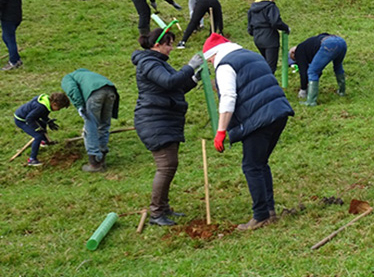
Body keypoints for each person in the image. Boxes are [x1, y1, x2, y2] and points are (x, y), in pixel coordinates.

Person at [204, 33, 294, 231]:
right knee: (260, 163)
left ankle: (261, 215)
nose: (211, 64)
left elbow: (228, 97)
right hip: (279, 112)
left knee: (251, 166)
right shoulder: (251, 55)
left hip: (259, 119)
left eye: (210, 60)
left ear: (214, 55)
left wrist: (221, 131)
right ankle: (269, 212)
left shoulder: (226, 65)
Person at [132, 27, 202, 226]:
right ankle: (156, 213)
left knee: (170, 165)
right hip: (154, 121)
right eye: (168, 44)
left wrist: (194, 79)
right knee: (166, 166)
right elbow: (170, 82)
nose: (171, 48)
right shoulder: (149, 63)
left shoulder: (158, 63)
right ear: (157, 45)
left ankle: (163, 208)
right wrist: (189, 66)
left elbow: (176, 85)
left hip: (165, 120)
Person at [61, 69, 119, 172]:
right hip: (111, 91)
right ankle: (102, 160)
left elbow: (72, 89)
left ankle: (94, 163)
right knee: (104, 125)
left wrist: (79, 106)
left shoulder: (68, 77)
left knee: (91, 126)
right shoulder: (87, 74)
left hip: (95, 94)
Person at [13, 92, 70, 166]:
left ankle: (44, 142)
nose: (59, 110)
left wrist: (49, 122)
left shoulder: (47, 103)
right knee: (38, 136)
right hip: (21, 120)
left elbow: (42, 115)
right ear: (54, 104)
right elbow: (29, 119)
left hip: (31, 117)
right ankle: (32, 160)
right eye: (59, 108)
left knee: (43, 124)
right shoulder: (41, 107)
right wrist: (37, 128)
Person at [290, 33, 347, 106]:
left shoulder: (299, 50)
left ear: (293, 53)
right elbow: (319, 69)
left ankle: (311, 101)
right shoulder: (310, 44)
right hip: (341, 41)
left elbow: (303, 72)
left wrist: (303, 89)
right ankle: (342, 92)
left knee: (312, 71)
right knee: (338, 66)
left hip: (329, 44)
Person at [247, 0, 289, 73]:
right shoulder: (270, 6)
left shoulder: (252, 8)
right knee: (271, 66)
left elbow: (249, 27)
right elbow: (275, 22)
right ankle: (269, 84)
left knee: (264, 63)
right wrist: (286, 28)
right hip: (270, 38)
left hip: (257, 38)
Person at [0, 0, 23, 70]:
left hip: (7, 16)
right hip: (17, 14)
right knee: (6, 37)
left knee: (9, 38)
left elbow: (2, 0)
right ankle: (16, 58)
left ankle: (14, 61)